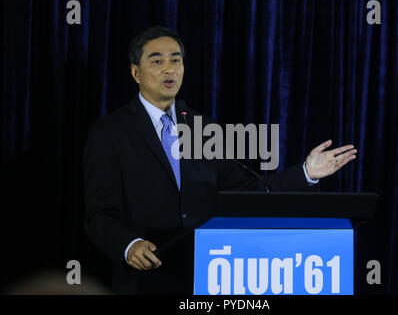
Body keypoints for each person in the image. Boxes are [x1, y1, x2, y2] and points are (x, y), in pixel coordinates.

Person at [83, 26, 357, 295]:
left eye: (176, 60)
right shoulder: (110, 132)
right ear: (135, 72)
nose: (169, 69)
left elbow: (248, 190)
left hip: (204, 277)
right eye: (157, 61)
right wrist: (129, 245)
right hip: (144, 279)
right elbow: (99, 213)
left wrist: (306, 172)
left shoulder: (203, 129)